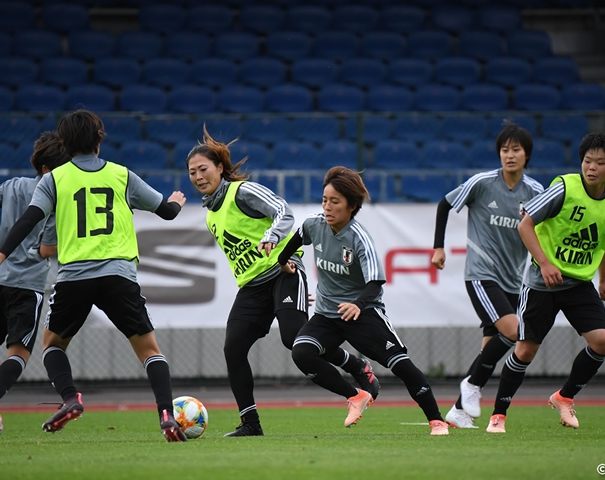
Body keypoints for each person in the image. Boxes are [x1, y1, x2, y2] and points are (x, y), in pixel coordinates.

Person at [0, 110, 188, 442]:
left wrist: (2, 252)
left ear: (64, 143)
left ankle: (71, 398)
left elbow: (28, 220)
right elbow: (166, 212)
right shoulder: (121, 175)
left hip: (74, 276)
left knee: (52, 346)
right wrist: (175, 202)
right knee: (149, 351)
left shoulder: (54, 180)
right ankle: (167, 417)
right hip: (118, 274)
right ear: (99, 138)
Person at [186, 128, 379, 438]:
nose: (197, 176)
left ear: (220, 168)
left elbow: (283, 211)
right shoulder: (210, 214)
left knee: (294, 340)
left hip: (284, 272)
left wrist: (272, 236)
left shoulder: (243, 191)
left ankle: (355, 374)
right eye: (192, 172)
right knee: (233, 349)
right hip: (251, 287)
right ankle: (251, 424)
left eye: (203, 169)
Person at [277, 166, 449, 435]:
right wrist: (282, 260)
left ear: (352, 206)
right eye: (324, 200)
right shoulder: (315, 224)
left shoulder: (359, 238)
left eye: (335, 201)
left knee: (400, 364)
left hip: (363, 312)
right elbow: (298, 237)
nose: (327, 207)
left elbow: (376, 282)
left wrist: (357, 304)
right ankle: (355, 396)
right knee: (301, 351)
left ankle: (436, 420)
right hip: (327, 314)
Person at [485, 132, 605, 433]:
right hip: (541, 283)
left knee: (603, 341)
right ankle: (499, 414)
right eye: (587, 160)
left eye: (600, 163)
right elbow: (525, 225)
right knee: (525, 352)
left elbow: (603, 239)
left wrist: (603, 280)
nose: (591, 167)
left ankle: (564, 397)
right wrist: (545, 263)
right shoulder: (564, 187)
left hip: (578, 284)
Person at [431, 123, 544, 428]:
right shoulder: (482, 182)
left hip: (515, 279)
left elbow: (546, 230)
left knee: (489, 349)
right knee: (514, 330)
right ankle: (469, 387)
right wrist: (439, 248)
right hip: (481, 273)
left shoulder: (536, 192)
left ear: (526, 155)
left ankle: (458, 411)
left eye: (516, 150)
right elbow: (445, 203)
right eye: (505, 150)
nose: (509, 155)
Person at [0, 132, 71, 435]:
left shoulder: (11, 186)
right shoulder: (55, 199)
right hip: (27, 285)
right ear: (46, 170)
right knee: (19, 353)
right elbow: (46, 249)